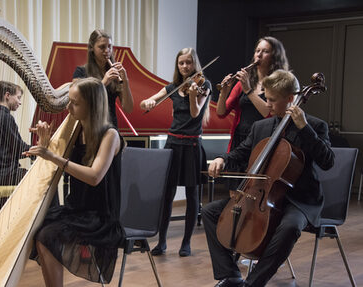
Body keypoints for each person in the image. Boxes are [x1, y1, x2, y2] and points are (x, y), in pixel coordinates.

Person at [203, 70, 334, 287]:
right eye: (266, 97)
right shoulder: (261, 127)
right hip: (261, 197)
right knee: (209, 212)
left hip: (299, 200)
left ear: (290, 99)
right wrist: (222, 159)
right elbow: (241, 153)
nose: (267, 104)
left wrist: (304, 129)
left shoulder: (315, 126)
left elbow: (328, 161)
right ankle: (230, 275)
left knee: (290, 227)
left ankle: (253, 283)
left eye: (272, 99)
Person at [26, 77, 124, 286]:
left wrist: (52, 156)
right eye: (68, 101)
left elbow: (94, 176)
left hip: (99, 215)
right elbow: (52, 165)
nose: (68, 107)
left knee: (46, 235)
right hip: (76, 209)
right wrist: (45, 142)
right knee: (36, 227)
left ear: (92, 106)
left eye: (75, 103)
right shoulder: (76, 130)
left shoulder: (110, 135)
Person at [140, 47, 212, 257]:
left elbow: (195, 112)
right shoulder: (173, 86)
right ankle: (161, 242)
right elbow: (147, 101)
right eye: (181, 63)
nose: (185, 67)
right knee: (167, 195)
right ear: (177, 65)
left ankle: (186, 243)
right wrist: (149, 102)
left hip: (191, 145)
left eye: (189, 62)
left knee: (192, 195)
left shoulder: (203, 85)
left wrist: (191, 95)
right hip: (173, 144)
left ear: (194, 64)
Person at [216, 37, 289, 185]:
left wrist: (248, 90)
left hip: (262, 141)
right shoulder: (242, 83)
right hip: (240, 140)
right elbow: (221, 112)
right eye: (257, 51)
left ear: (275, 56)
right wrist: (224, 92)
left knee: (255, 188)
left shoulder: (277, 83)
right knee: (234, 192)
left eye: (265, 51)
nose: (259, 55)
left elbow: (270, 113)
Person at [73, 29, 133, 127]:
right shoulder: (81, 72)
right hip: (89, 128)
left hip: (110, 127)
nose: (107, 51)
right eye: (102, 47)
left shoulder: (114, 73)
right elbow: (78, 103)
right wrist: (103, 83)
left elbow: (128, 108)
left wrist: (125, 81)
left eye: (109, 46)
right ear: (92, 48)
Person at [0, 81, 30, 187]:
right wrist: (40, 149)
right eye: (18, 97)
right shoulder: (6, 117)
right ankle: (53, 205)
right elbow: (19, 148)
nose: (20, 102)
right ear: (7, 95)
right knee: (42, 178)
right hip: (2, 175)